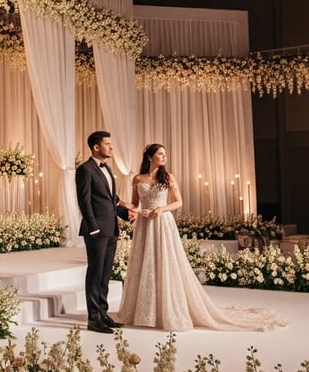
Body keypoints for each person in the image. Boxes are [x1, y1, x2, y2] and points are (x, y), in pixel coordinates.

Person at [115, 143, 287, 332]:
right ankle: (146, 312)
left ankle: (167, 310)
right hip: (145, 225)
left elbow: (178, 202)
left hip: (163, 223)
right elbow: (135, 204)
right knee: (145, 263)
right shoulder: (137, 179)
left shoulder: (168, 177)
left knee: (165, 262)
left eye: (165, 154)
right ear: (150, 157)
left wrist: (161, 209)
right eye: (160, 154)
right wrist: (120, 202)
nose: (164, 157)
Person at [75, 130, 132, 334]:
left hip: (112, 228)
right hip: (96, 230)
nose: (111, 147)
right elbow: (85, 201)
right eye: (108, 144)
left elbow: (111, 200)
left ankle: (103, 312)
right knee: (95, 272)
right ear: (96, 147)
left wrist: (126, 214)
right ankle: (93, 318)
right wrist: (93, 227)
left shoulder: (107, 168)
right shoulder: (85, 170)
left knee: (105, 273)